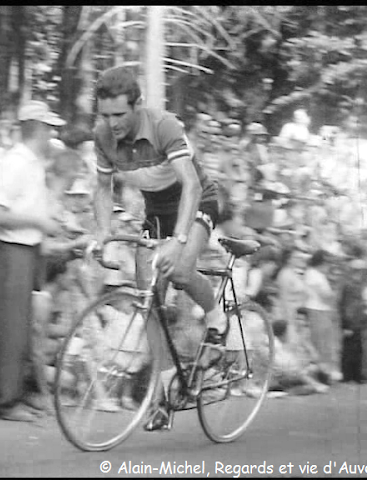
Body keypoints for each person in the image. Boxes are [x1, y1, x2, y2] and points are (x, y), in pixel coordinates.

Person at [91, 66, 223, 431]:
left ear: (137, 107)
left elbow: (192, 187)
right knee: (148, 293)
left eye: (119, 114)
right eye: (105, 115)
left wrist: (178, 241)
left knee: (178, 269)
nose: (112, 122)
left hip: (197, 200)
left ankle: (215, 316)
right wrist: (102, 232)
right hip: (157, 211)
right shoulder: (102, 136)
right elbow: (103, 188)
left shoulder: (164, 125)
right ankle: (163, 391)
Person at [0, 100, 66, 422]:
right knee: (10, 327)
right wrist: (39, 223)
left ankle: (13, 392)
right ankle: (6, 399)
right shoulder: (14, 162)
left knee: (21, 327)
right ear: (39, 129)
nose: (51, 135)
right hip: (10, 250)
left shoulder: (31, 163)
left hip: (26, 250)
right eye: (48, 128)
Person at [304, 249, 339, 383]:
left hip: (322, 310)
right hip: (317, 310)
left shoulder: (318, 274)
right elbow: (325, 296)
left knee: (325, 344)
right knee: (320, 344)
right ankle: (322, 374)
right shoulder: (313, 274)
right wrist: (334, 292)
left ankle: (325, 373)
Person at [339, 258, 367, 383]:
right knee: (350, 349)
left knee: (357, 349)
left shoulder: (358, 285)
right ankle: (350, 375)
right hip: (351, 322)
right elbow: (345, 306)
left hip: (358, 321)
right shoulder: (349, 285)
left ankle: (356, 374)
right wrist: (346, 325)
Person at [274, 247, 308, 345]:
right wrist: (288, 317)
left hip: (298, 311)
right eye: (296, 257)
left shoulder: (294, 273)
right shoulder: (284, 275)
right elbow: (283, 297)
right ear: (289, 259)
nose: (299, 259)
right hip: (289, 312)